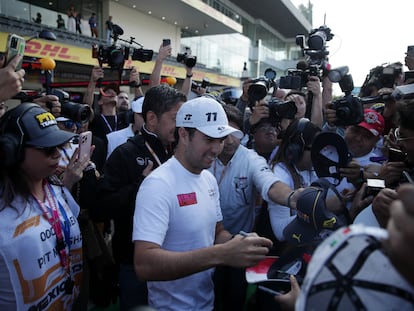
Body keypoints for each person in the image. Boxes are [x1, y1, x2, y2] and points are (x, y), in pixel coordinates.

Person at [132, 97, 274, 310]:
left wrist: (240, 243)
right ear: (183, 134)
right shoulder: (158, 184)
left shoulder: (207, 178)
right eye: (209, 139)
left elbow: (217, 232)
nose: (217, 149)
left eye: (221, 139)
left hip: (206, 303)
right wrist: (221, 255)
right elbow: (144, 265)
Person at [99, 85, 187, 311]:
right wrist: (141, 186)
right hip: (134, 262)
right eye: (175, 118)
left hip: (173, 256)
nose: (181, 126)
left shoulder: (179, 151)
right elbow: (102, 207)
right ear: (151, 118)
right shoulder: (125, 153)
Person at [0, 103, 83, 310]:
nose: (57, 154)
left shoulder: (54, 187)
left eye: (59, 146)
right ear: (12, 151)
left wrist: (69, 183)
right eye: (47, 149)